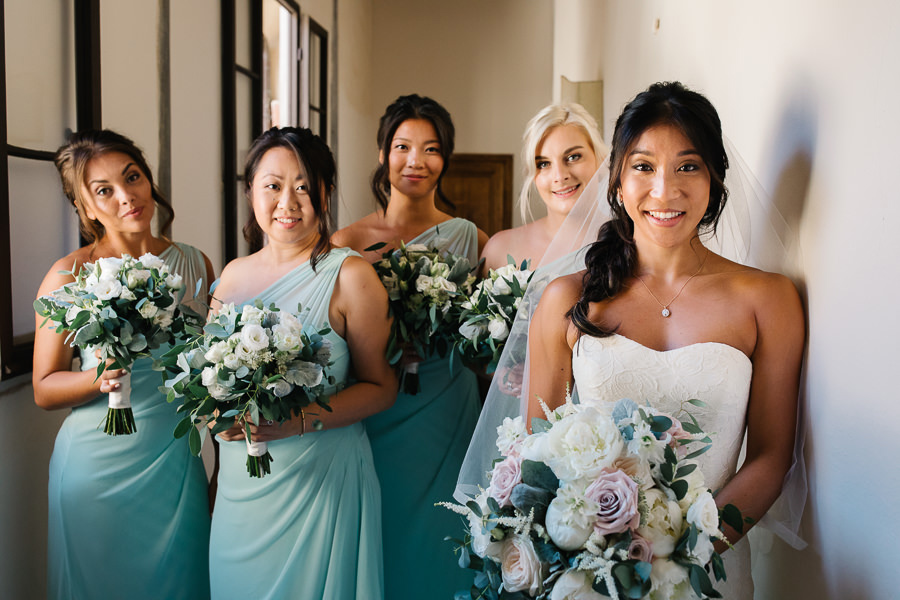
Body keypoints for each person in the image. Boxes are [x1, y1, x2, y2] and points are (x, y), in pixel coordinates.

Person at [526, 81, 805, 598]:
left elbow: (770, 456)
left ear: (716, 177)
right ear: (616, 177)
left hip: (711, 568)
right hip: (595, 575)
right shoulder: (566, 300)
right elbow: (536, 454)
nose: (664, 190)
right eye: (644, 166)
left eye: (688, 166)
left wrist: (678, 555)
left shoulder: (768, 299)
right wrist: (604, 559)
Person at [209, 127, 396, 600]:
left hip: (321, 482)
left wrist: (296, 422)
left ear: (325, 193)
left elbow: (381, 386)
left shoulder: (351, 276)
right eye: (273, 185)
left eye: (303, 186)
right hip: (240, 487)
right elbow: (209, 379)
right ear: (251, 190)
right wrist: (216, 418)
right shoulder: (231, 276)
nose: (287, 201)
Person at [33, 129, 215, 600]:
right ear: (86, 208)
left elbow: (211, 370)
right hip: (97, 469)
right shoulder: (69, 274)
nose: (127, 196)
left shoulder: (196, 265)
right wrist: (99, 378)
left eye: (132, 177)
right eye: (104, 190)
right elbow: (44, 387)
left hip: (175, 464)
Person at [332, 93, 488, 599]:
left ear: (447, 159)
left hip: (449, 407)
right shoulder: (345, 243)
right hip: (377, 406)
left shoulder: (471, 240)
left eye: (431, 149)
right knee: (381, 528)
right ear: (382, 153)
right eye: (402, 146)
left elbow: (490, 336)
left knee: (444, 534)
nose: (416, 161)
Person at [480, 102, 607, 273]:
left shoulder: (635, 245)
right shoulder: (499, 250)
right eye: (544, 163)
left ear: (600, 159)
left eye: (573, 157)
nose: (560, 176)